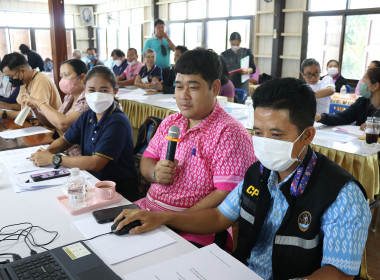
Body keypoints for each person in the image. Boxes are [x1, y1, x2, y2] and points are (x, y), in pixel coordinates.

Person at [115, 77, 371, 280]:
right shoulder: (257, 174)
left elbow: (339, 273)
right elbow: (219, 217)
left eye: (276, 135)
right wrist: (162, 217)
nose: (263, 143)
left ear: (307, 136)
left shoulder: (341, 195)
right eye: (258, 132)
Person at [133, 48, 256, 247]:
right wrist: (155, 173)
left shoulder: (229, 133)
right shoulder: (171, 122)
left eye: (193, 87)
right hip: (151, 212)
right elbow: (147, 159)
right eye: (179, 87)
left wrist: (170, 221)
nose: (183, 96)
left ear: (215, 88)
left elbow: (226, 194)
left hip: (195, 229)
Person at [29, 66, 138, 201]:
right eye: (91, 90)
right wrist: (46, 152)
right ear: (84, 91)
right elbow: (65, 140)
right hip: (91, 183)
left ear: (115, 92)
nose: (97, 95)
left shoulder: (117, 121)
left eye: (104, 90)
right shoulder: (88, 115)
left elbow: (95, 163)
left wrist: (53, 159)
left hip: (116, 193)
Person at [24, 59, 90, 156]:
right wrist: (35, 109)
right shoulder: (69, 97)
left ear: (82, 77)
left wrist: (39, 102)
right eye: (61, 76)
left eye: (66, 75)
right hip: (64, 150)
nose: (62, 80)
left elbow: (63, 124)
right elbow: (53, 123)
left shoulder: (87, 99)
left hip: (80, 155)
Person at [0, 52, 61, 120]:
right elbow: (23, 107)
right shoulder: (24, 81)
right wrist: (2, 105)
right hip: (34, 125)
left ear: (22, 71)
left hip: (48, 127)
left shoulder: (41, 80)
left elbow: (35, 113)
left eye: (11, 76)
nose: (10, 80)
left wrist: (4, 113)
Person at [316, 67, 380, 129]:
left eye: (364, 81)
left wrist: (376, 128)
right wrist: (320, 117)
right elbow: (343, 117)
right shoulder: (362, 101)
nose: (361, 84)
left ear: (375, 86)